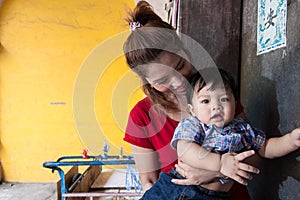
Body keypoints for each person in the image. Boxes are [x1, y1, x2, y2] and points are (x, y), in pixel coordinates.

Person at [123, 1, 258, 199]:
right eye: (162, 80)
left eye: (180, 65)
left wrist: (214, 172)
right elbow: (149, 182)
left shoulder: (217, 94)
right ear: (148, 82)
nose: (178, 81)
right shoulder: (140, 117)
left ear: (185, 51)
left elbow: (255, 153)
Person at [140, 68, 300, 200]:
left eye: (224, 99)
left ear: (234, 102)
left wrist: (291, 140)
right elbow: (185, 150)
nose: (216, 106)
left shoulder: (242, 129)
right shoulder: (194, 125)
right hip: (174, 188)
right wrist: (220, 164)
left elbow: (265, 148)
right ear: (192, 109)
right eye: (205, 101)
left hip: (214, 196)